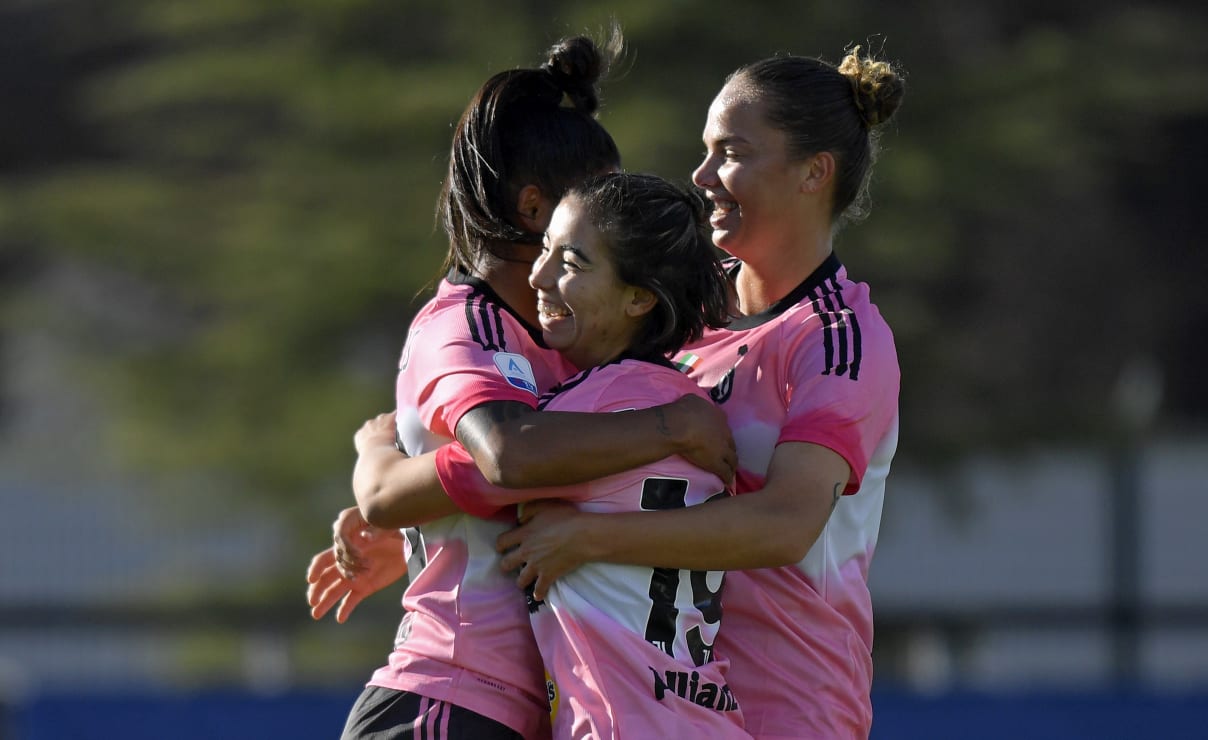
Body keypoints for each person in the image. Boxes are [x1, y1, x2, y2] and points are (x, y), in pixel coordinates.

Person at [304, 33, 736, 740]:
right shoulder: (462, 327)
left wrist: (403, 517)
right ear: (538, 210)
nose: (614, 219)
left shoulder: (581, 351)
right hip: (450, 697)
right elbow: (507, 454)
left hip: (536, 708)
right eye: (596, 203)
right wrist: (675, 427)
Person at [490, 45, 906, 739]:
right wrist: (425, 520)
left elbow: (785, 524)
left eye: (731, 152)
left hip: (789, 711)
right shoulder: (674, 307)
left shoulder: (838, 337)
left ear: (813, 172)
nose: (702, 174)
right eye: (705, 150)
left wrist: (589, 538)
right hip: (658, 711)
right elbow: (550, 437)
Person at [352, 171, 751, 739]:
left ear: (639, 297)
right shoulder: (687, 399)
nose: (538, 276)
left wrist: (373, 453)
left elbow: (423, 487)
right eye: (545, 250)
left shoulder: (578, 420)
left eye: (572, 263)